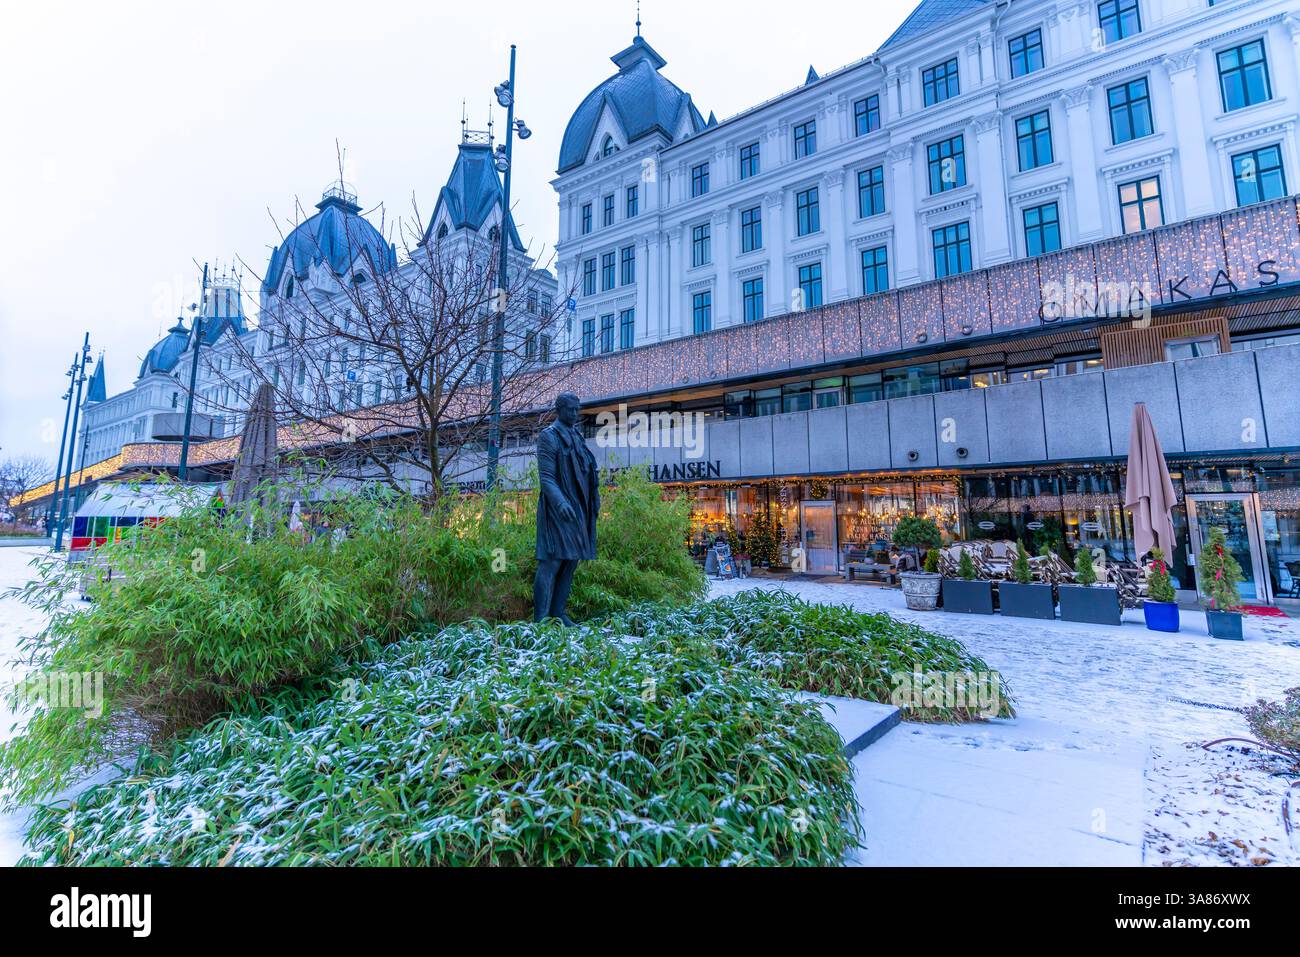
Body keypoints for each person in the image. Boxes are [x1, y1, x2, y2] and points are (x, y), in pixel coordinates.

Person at [534, 393, 599, 625]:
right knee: (552, 561)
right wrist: (560, 502)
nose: (574, 414)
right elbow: (547, 477)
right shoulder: (549, 436)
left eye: (576, 410)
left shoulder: (576, 436)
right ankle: (541, 618)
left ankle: (558, 612)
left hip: (579, 507)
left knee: (571, 561)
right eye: (570, 409)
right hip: (558, 509)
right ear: (559, 409)